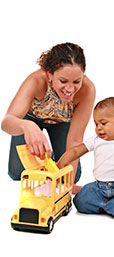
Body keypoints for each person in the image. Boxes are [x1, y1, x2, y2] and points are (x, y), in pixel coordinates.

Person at [1, 42, 95, 184]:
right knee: (17, 172)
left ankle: (48, 164)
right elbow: (6, 122)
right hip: (31, 120)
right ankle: (43, 162)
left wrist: (68, 186)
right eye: (63, 81)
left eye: (76, 81)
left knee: (71, 177)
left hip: (62, 122)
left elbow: (75, 139)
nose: (70, 89)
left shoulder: (88, 90)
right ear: (49, 73)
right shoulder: (36, 80)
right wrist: (27, 126)